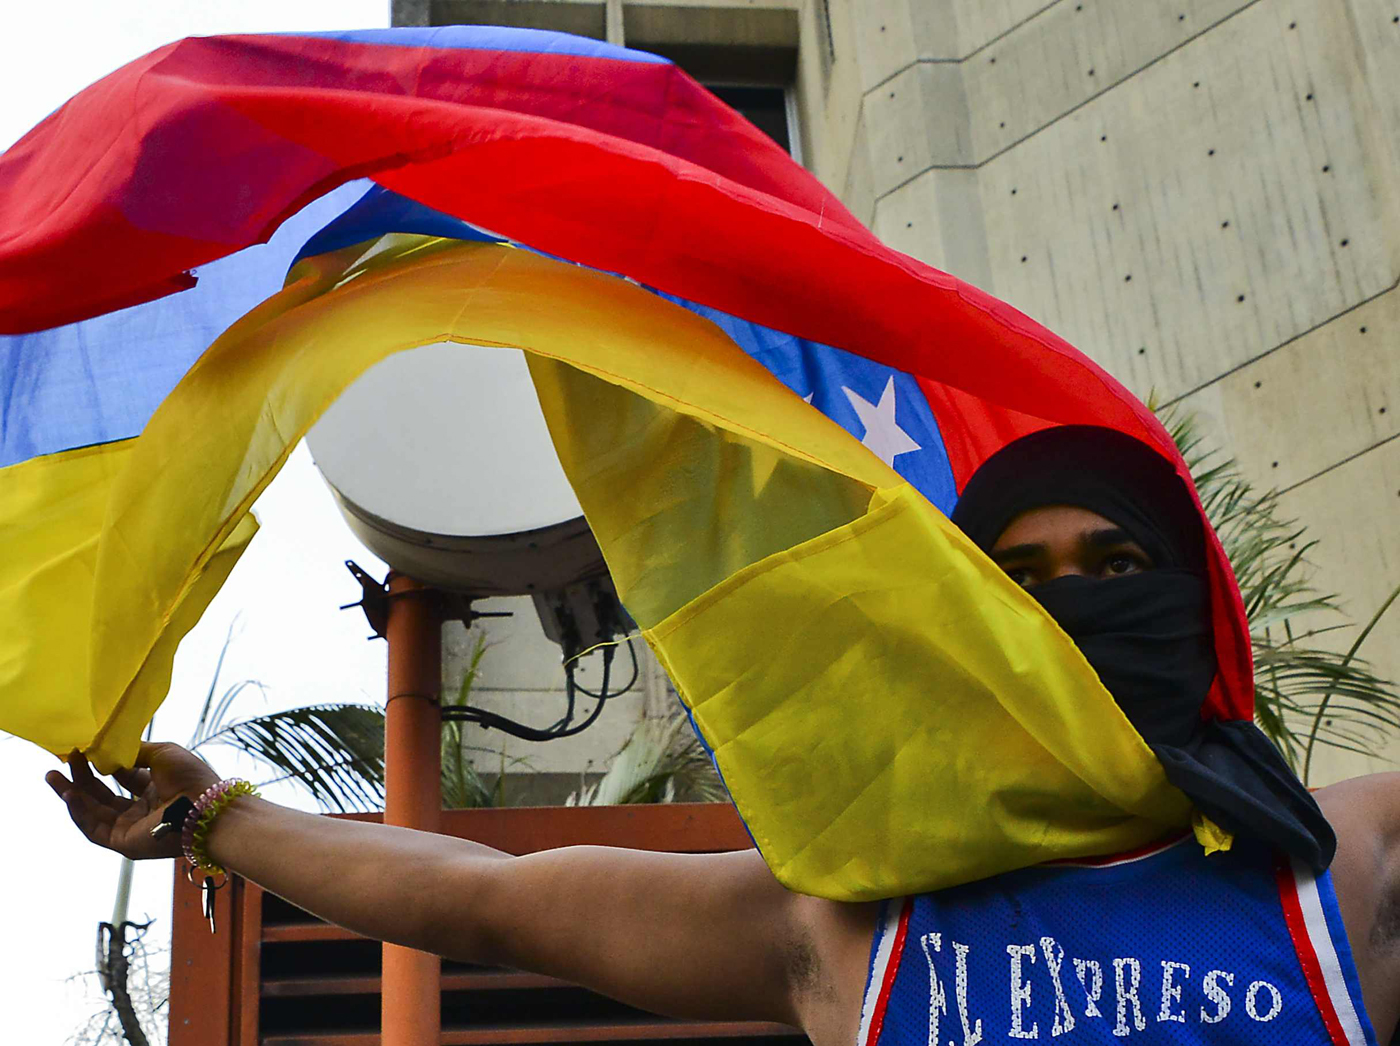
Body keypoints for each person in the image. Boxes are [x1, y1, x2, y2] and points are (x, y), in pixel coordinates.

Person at [48, 427, 1400, 1044]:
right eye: (1025, 582)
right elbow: (493, 900)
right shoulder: (851, 934)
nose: (1077, 604)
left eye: (1117, 568)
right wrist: (217, 815)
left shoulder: (1350, 873)